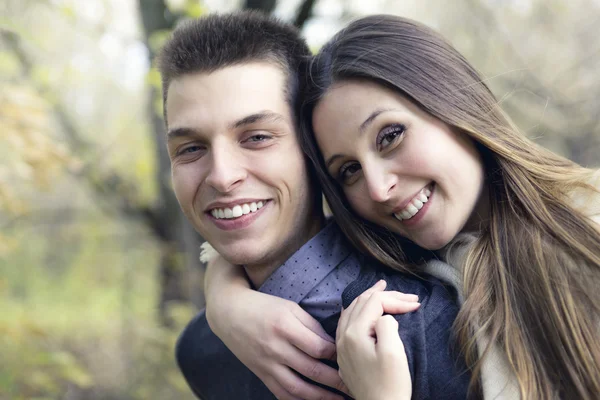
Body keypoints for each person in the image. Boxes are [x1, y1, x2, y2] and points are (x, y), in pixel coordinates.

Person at [205, 14, 600, 400]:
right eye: (350, 170)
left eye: (390, 136)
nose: (378, 189)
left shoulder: (588, 228)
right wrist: (225, 302)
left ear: (453, 103)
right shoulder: (407, 276)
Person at [157, 11, 471, 400]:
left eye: (256, 137)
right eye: (190, 148)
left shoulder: (422, 327)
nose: (221, 176)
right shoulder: (202, 351)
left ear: (313, 150)